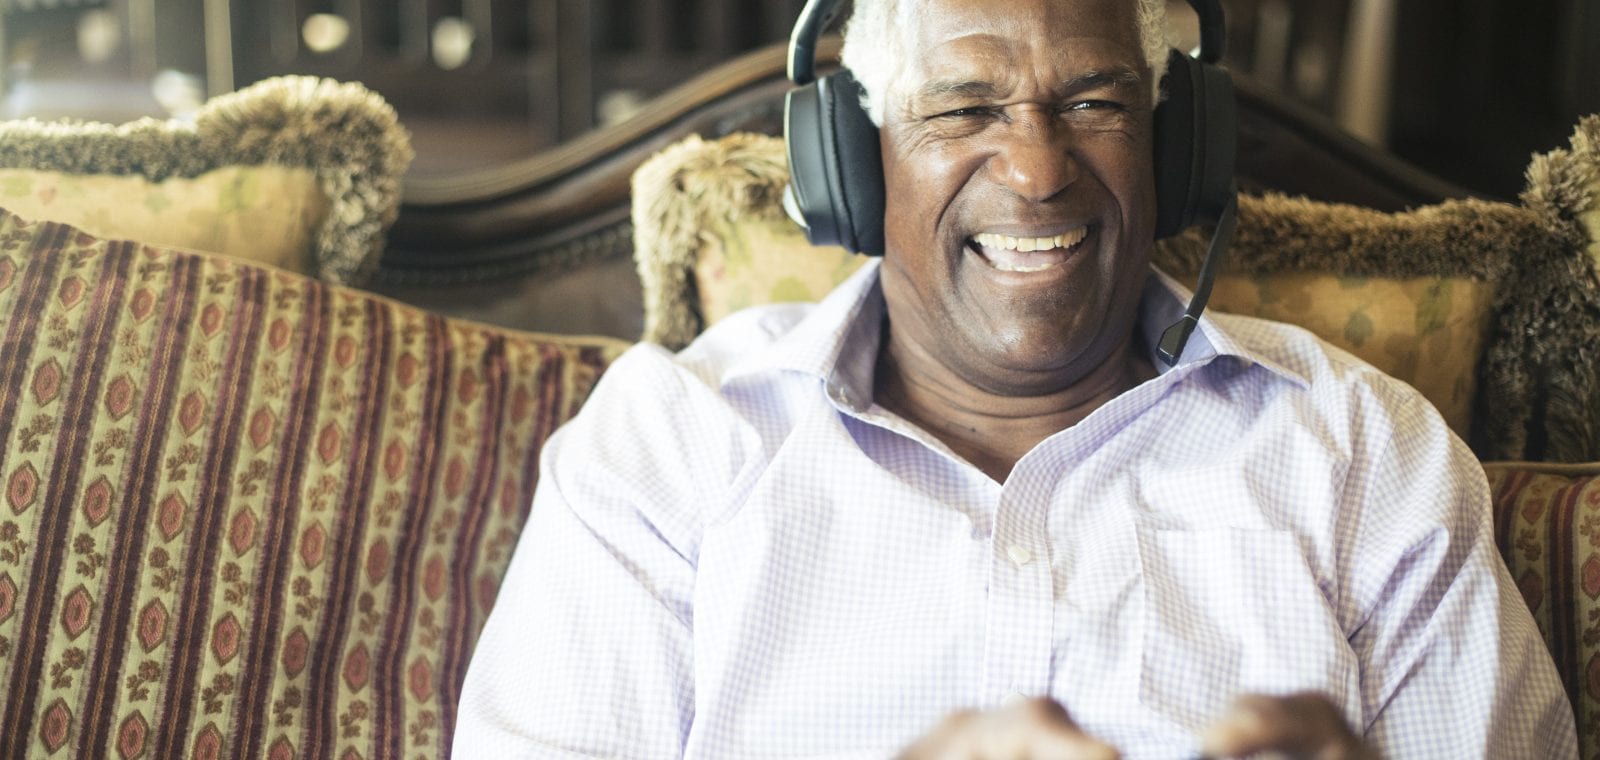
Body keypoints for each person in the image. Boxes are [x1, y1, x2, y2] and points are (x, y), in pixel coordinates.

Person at [453, 0, 1578, 756]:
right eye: (963, 108)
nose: (1039, 170)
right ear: (850, 162)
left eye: (1094, 102)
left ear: (1174, 148)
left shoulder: (1364, 451)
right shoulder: (667, 447)